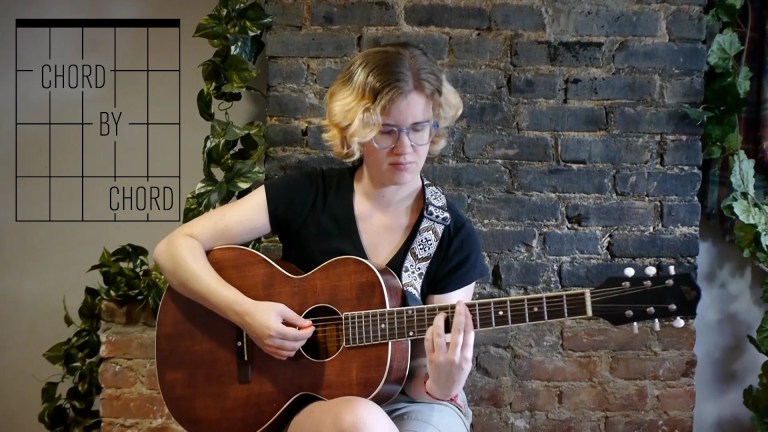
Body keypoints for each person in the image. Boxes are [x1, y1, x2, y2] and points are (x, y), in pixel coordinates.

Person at [153, 42, 488, 432]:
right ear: (356, 129)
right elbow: (174, 249)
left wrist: (441, 383)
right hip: (295, 399)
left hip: (409, 400)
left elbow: (418, 379)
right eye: (386, 132)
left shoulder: (450, 233)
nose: (405, 148)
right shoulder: (306, 194)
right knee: (360, 420)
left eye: (419, 130)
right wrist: (246, 313)